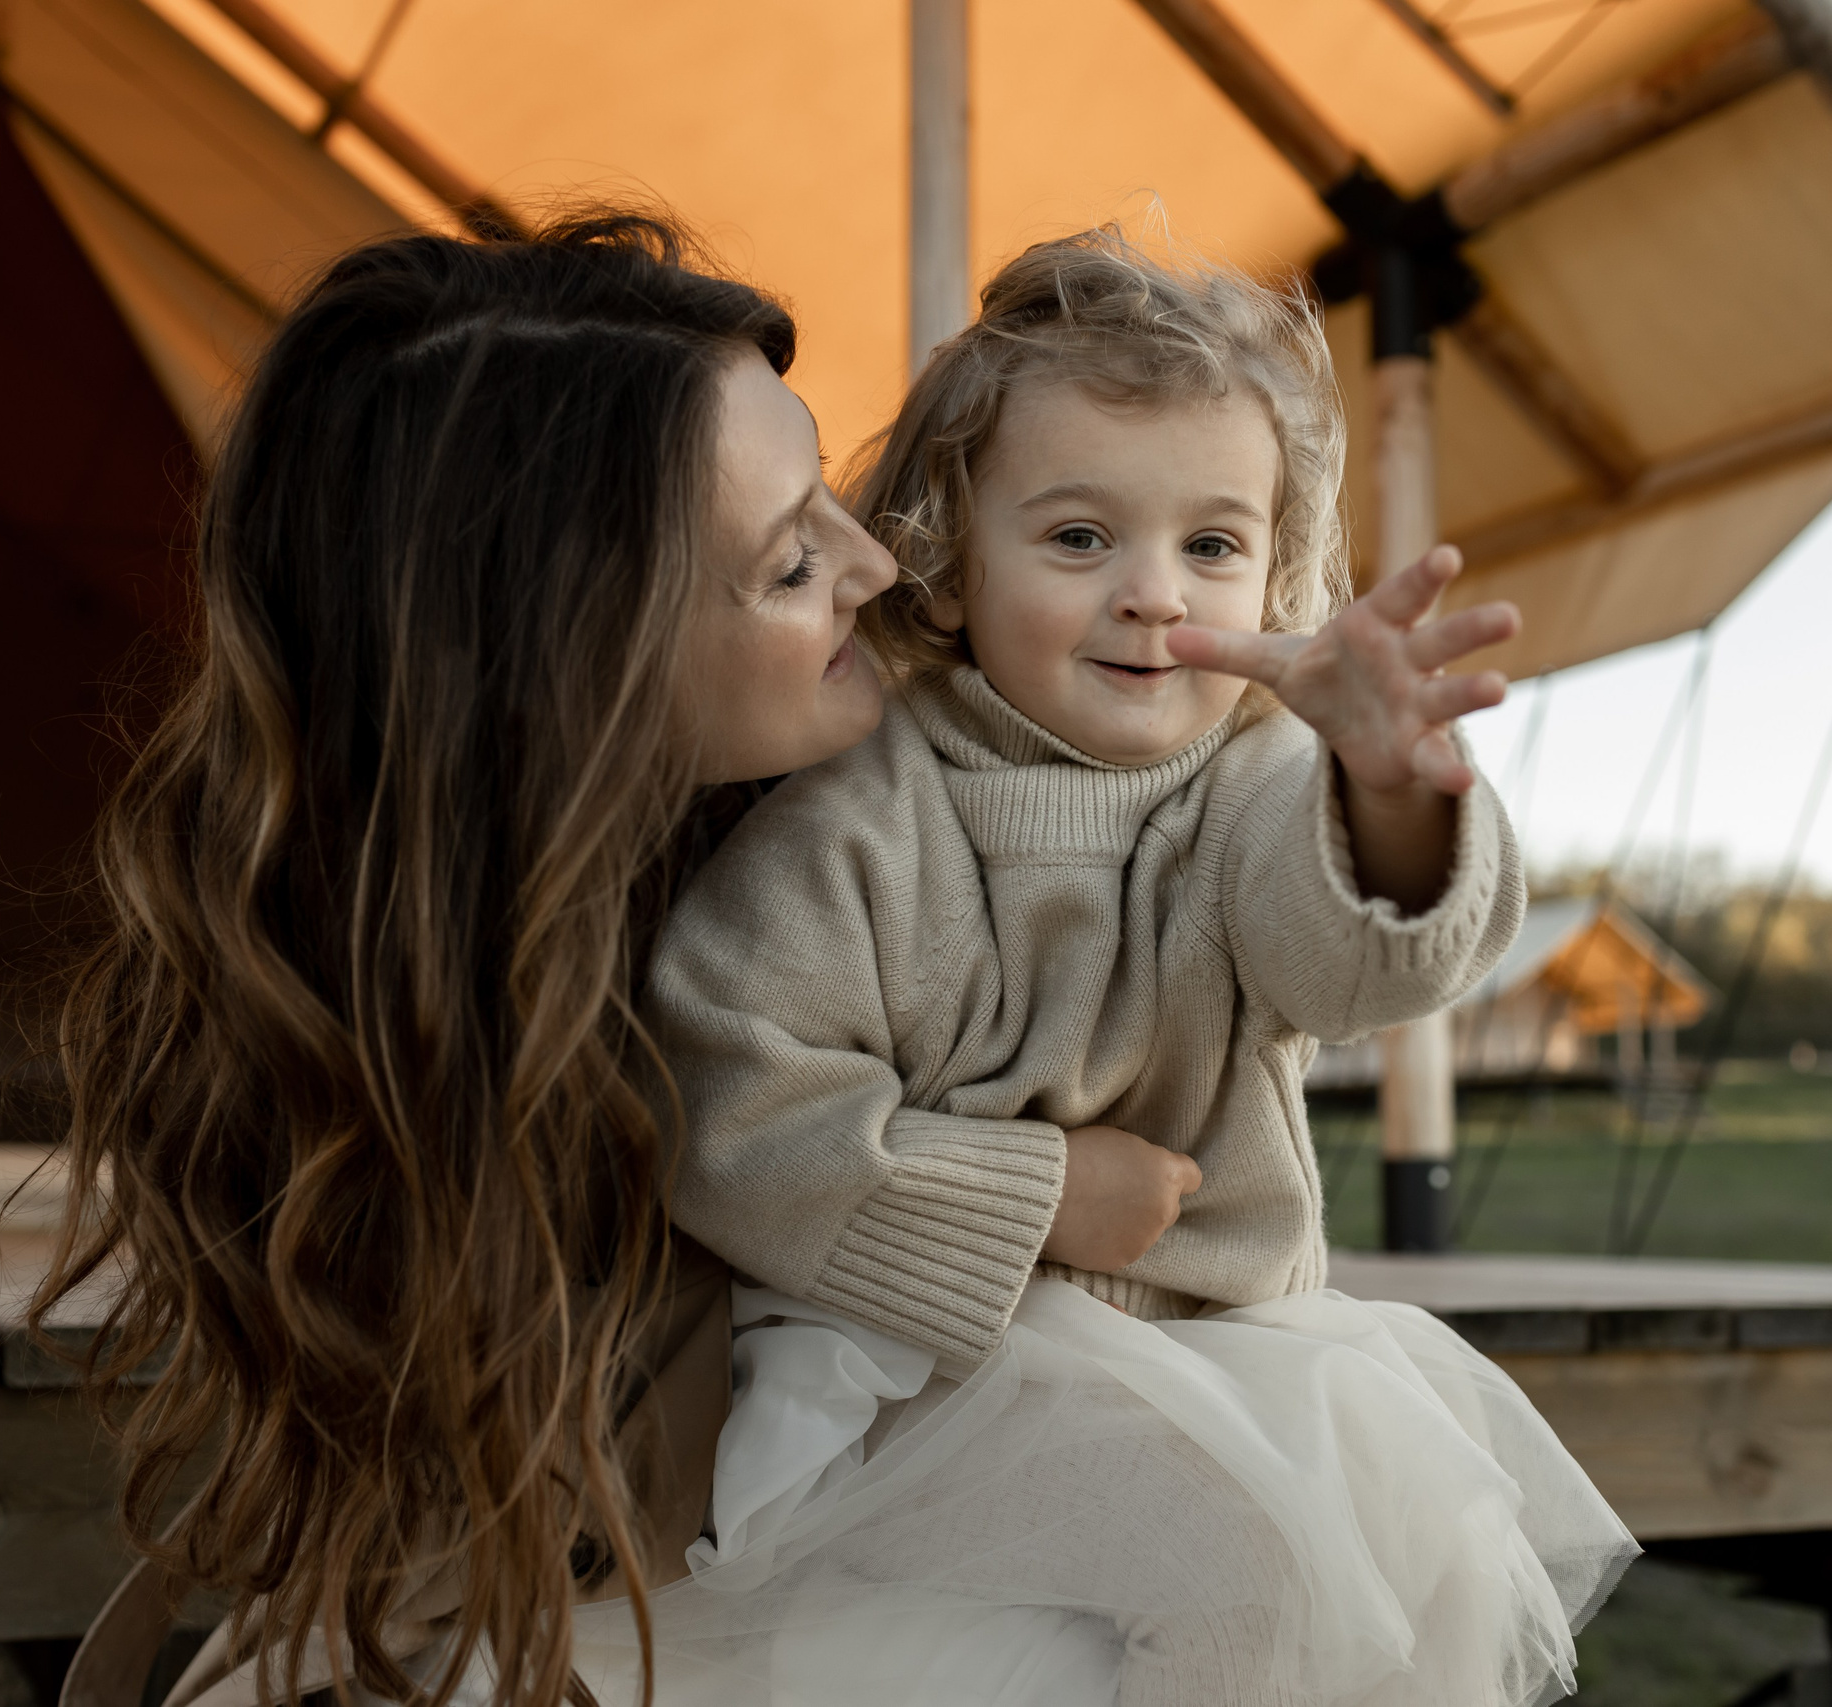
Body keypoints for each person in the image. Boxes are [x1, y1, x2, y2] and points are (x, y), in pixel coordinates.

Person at [634, 229, 1637, 1706]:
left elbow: (1351, 966)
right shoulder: (864, 811)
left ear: (1276, 576)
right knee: (1262, 1563)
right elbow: (730, 1107)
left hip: (1235, 1356)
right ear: (948, 564)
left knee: (1402, 1565)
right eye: (1080, 539)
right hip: (912, 1383)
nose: (1155, 595)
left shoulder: (1257, 783)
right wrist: (1044, 1196)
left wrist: (1391, 795)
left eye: (1212, 547)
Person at [38, 214, 900, 1707]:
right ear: (577, 667)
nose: (875, 562)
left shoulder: (890, 838)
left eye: (828, 486)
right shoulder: (417, 1029)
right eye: (788, 563)